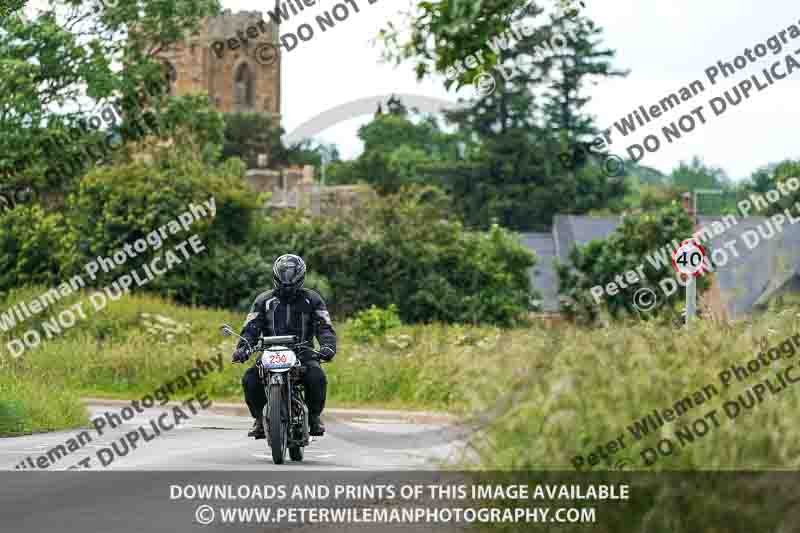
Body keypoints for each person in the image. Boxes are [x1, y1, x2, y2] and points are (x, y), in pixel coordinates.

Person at [231, 254, 336, 438]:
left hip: (303, 352)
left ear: (301, 277)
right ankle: (259, 420)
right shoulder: (263, 301)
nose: (287, 284)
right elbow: (251, 329)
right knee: (250, 379)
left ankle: (313, 417)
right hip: (270, 352)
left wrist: (327, 346)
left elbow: (324, 327)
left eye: (292, 279)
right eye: (283, 279)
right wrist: (243, 348)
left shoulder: (312, 299)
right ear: (276, 277)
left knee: (317, 377)